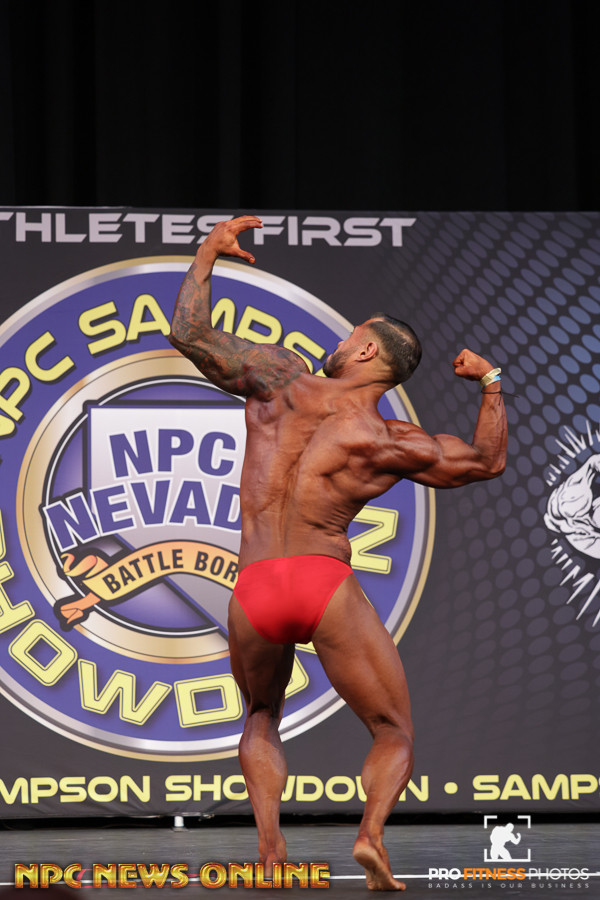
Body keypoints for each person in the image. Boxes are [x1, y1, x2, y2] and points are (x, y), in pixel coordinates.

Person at [169, 215, 507, 891]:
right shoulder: (391, 440)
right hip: (322, 583)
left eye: (351, 334)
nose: (341, 341)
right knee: (392, 729)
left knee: (260, 715)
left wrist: (208, 252)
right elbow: (484, 462)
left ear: (367, 351)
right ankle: (369, 836)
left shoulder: (280, 380)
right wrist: (491, 381)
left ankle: (271, 850)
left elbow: (189, 333)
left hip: (255, 586)